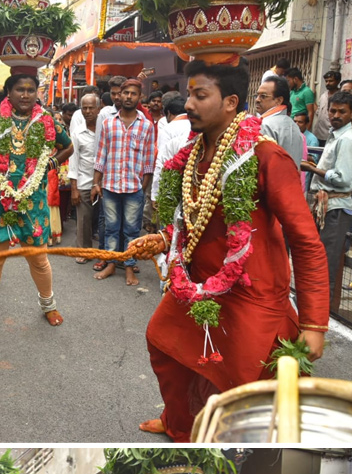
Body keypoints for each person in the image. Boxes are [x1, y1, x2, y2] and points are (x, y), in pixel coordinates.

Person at [135, 58, 330, 441]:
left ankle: (230, 446)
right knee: (162, 343)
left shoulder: (264, 156)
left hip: (251, 293)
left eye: (199, 95)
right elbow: (196, 218)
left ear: (231, 102)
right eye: (189, 94)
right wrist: (163, 240)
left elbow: (307, 243)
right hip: (197, 285)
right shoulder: (192, 153)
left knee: (241, 383)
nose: (188, 104)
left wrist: (314, 324)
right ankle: (180, 423)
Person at [0, 72, 73, 334]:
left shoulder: (47, 119)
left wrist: (50, 163)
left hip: (33, 201)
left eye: (31, 89)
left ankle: (48, 305)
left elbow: (68, 147)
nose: (26, 94)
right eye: (20, 89)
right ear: (9, 91)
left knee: (38, 260)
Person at [93, 78, 156, 287]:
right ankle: (112, 263)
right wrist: (96, 182)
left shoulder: (147, 126)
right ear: (119, 95)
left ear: (140, 97)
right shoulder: (108, 123)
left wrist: (143, 188)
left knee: (131, 230)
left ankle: (129, 266)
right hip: (110, 186)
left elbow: (148, 161)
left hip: (134, 188)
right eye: (125, 93)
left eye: (133, 94)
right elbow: (101, 155)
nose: (128, 97)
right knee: (111, 228)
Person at [301, 90, 352, 314]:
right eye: (332, 110)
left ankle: (324, 316)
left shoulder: (347, 139)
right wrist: (317, 164)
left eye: (342, 111)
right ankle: (318, 310)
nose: (335, 115)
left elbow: (342, 178)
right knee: (320, 259)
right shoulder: (336, 135)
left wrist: (313, 169)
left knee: (328, 263)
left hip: (336, 208)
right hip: (326, 206)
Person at [68, 92, 100, 261]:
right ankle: (84, 251)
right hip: (84, 181)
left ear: (98, 109)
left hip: (104, 183)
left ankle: (105, 253)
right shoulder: (78, 133)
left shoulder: (106, 130)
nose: (87, 111)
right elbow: (74, 162)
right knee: (84, 220)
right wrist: (74, 188)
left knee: (105, 221)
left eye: (91, 108)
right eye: (84, 108)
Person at [255, 75, 305, 167]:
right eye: (257, 95)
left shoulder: (265, 125)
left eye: (263, 96)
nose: (257, 100)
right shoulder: (294, 126)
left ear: (279, 100)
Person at [315, 70, 342, 142]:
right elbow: (318, 112)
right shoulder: (324, 95)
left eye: (331, 81)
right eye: (326, 81)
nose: (328, 83)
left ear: (338, 81)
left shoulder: (341, 97)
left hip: (332, 134)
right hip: (319, 133)